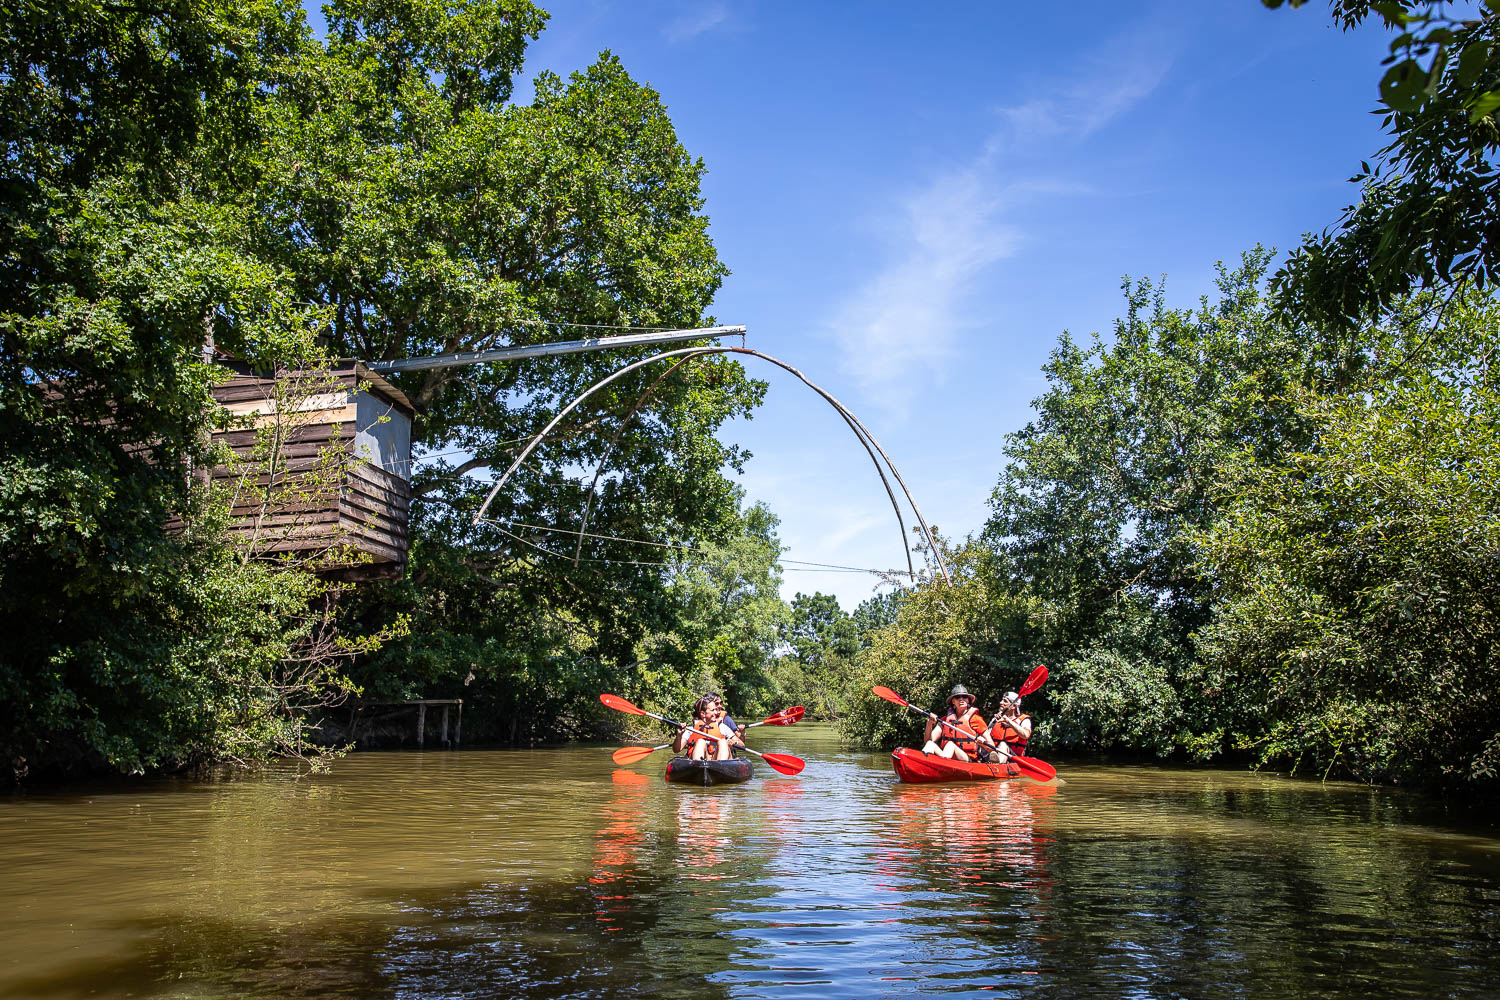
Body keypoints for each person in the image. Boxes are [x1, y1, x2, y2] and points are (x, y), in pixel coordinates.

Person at [922, 685, 988, 761]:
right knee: (930, 744)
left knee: (950, 745)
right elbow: (928, 740)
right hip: (947, 758)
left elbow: (991, 746)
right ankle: (923, 765)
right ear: (953, 701)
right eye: (957, 697)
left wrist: (983, 742)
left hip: (968, 760)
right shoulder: (945, 720)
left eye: (964, 697)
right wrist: (929, 724)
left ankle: (941, 766)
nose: (961, 699)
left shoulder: (976, 719)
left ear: (968, 700)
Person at [674, 693, 736, 761]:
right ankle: (698, 766)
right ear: (703, 714)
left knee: (723, 742)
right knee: (700, 742)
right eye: (713, 710)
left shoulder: (721, 727)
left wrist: (733, 742)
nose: (716, 712)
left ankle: (720, 766)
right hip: (700, 762)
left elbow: (740, 743)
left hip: (716, 760)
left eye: (716, 709)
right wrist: (679, 734)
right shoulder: (691, 729)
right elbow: (676, 750)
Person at [985, 690, 1033, 761]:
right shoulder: (995, 720)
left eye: (1005, 701)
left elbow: (1025, 735)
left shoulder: (1024, 720)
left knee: (1003, 744)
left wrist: (1008, 721)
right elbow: (986, 736)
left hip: (1014, 758)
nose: (1001, 703)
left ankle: (998, 766)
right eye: (1002, 700)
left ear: (1013, 706)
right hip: (994, 753)